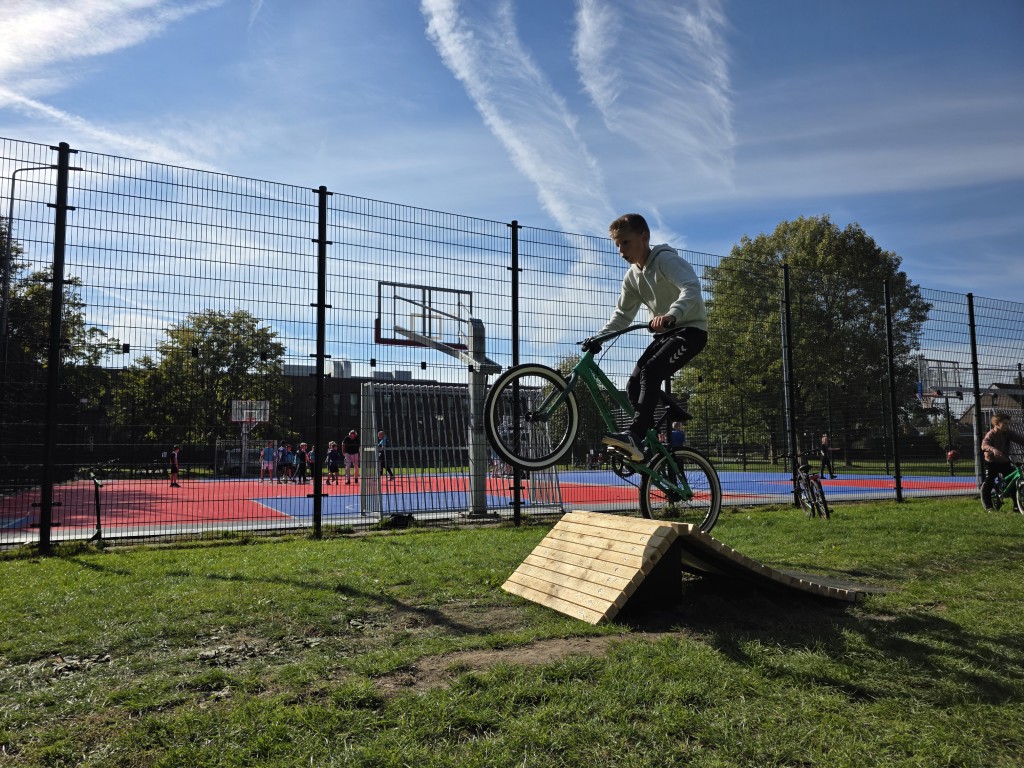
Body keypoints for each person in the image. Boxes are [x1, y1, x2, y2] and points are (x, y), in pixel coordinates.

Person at [585, 213, 708, 461]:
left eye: (625, 243)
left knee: (650, 372)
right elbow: (622, 315)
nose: (621, 251)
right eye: (617, 245)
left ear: (644, 237)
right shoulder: (632, 277)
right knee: (632, 385)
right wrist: (599, 337)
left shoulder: (665, 260)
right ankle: (651, 444)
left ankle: (636, 435)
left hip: (690, 330)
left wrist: (672, 314)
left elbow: (692, 287)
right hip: (666, 335)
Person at [980, 412, 1024, 511]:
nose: (1007, 426)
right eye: (1005, 423)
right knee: (989, 482)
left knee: (1012, 481)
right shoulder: (991, 434)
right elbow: (984, 445)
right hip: (991, 462)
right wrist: (993, 450)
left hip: (1004, 461)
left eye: (1008, 423)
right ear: (996, 423)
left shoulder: (1008, 432)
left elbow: (1020, 439)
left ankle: (1017, 506)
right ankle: (988, 506)